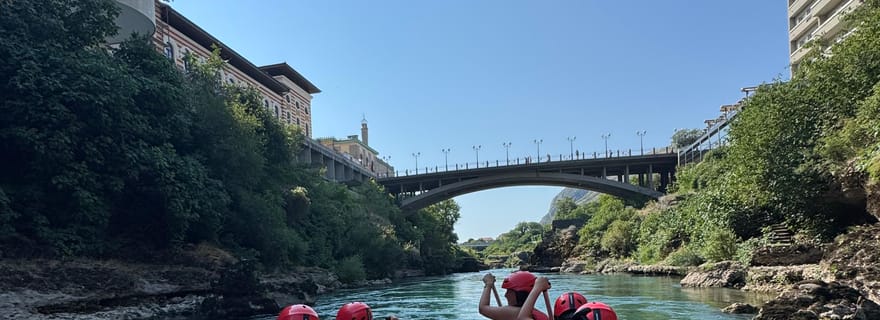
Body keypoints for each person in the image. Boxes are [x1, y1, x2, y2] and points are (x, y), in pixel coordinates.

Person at [479, 271, 549, 320]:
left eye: (509, 291)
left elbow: (483, 308)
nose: (506, 295)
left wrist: (488, 285)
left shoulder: (513, 312)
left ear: (519, 293)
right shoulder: (541, 315)